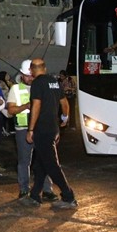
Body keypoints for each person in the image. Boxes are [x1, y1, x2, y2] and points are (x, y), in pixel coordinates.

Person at [20, 58, 78, 209]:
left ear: (31, 70)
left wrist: (30, 129)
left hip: (42, 130)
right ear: (44, 68)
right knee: (40, 164)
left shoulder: (37, 84)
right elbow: (64, 102)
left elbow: (36, 106)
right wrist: (64, 118)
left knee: (52, 165)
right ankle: (35, 195)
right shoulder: (54, 82)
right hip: (53, 128)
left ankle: (68, 197)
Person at [6, 60, 55, 202]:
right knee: (24, 161)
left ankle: (47, 190)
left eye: (32, 75)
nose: (30, 78)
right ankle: (24, 189)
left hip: (41, 129)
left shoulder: (40, 86)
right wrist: (26, 106)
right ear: (22, 75)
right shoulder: (16, 89)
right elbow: (10, 110)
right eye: (27, 75)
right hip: (23, 129)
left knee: (45, 160)